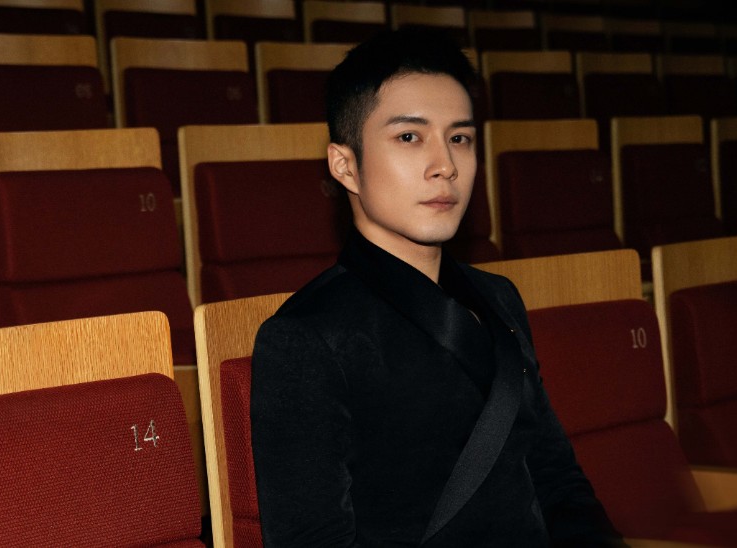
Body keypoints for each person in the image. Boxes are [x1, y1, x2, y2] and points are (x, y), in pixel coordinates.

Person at [249, 29, 623, 547]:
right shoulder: (306, 338)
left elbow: (556, 480)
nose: (445, 165)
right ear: (345, 166)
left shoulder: (498, 297)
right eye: (409, 137)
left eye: (460, 138)